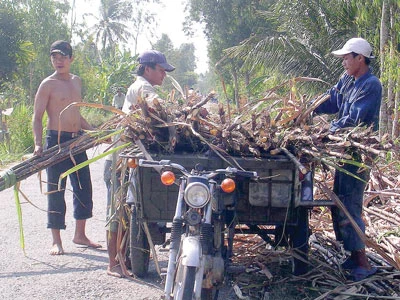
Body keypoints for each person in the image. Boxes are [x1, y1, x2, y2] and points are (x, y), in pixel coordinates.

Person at [313, 37, 382, 281]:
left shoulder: (371, 85)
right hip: (343, 153)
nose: (343, 62)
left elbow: (355, 120)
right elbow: (331, 99)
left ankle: (362, 262)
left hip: (357, 156)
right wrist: (308, 108)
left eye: (346, 57)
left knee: (349, 205)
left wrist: (326, 131)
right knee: (339, 201)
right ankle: (352, 255)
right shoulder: (347, 80)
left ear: (359, 59)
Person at [104, 49, 175, 278]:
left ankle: (122, 259)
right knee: (117, 212)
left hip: (125, 158)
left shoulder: (139, 86)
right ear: (148, 69)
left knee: (125, 209)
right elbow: (160, 108)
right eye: (161, 69)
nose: (164, 74)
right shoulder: (143, 87)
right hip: (119, 161)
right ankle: (113, 265)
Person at [33, 40, 101, 255]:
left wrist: (92, 132)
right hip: (56, 142)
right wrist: (37, 144)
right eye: (54, 57)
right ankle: (56, 241)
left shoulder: (76, 82)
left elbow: (77, 114)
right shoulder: (47, 84)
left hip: (77, 141)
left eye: (63, 56)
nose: (58, 61)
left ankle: (80, 235)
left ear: (71, 58)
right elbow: (37, 118)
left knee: (83, 187)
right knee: (56, 190)